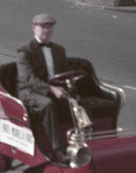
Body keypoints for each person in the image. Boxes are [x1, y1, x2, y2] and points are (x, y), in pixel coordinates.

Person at [16, 13, 119, 159]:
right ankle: (58, 150)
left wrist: (70, 89)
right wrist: (51, 89)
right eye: (43, 27)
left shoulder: (59, 50)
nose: (47, 30)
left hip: (56, 88)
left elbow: (64, 73)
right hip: (31, 91)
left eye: (50, 27)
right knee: (47, 104)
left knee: (80, 103)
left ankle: (91, 141)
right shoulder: (25, 50)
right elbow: (28, 79)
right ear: (34, 28)